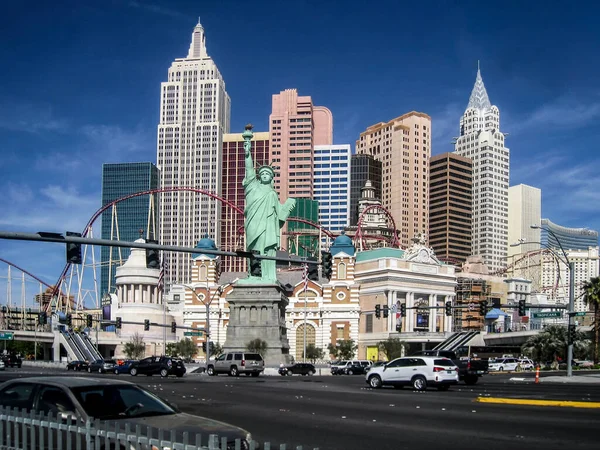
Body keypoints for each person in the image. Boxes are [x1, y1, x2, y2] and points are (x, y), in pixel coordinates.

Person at [242, 125, 296, 283]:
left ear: (272, 178)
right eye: (263, 173)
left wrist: (288, 205)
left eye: (268, 174)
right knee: (253, 249)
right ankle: (254, 276)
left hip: (269, 227)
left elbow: (280, 216)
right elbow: (249, 169)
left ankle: (268, 276)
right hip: (253, 223)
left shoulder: (273, 194)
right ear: (259, 176)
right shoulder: (253, 185)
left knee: (268, 250)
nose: (265, 175)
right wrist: (247, 152)